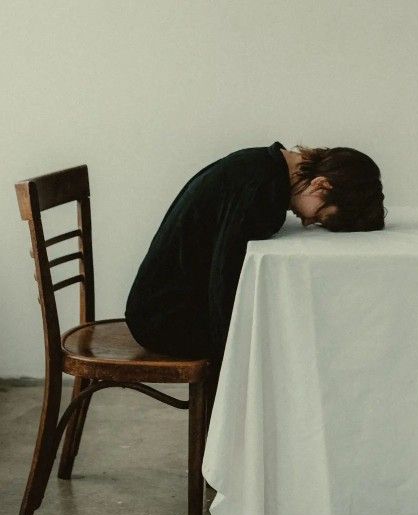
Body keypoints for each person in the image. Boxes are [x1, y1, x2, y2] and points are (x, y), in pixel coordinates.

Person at [125, 140, 386, 369]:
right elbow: (224, 287)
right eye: (318, 216)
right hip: (164, 319)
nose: (308, 222)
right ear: (321, 185)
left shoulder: (265, 166)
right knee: (289, 347)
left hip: (162, 306)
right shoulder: (262, 193)